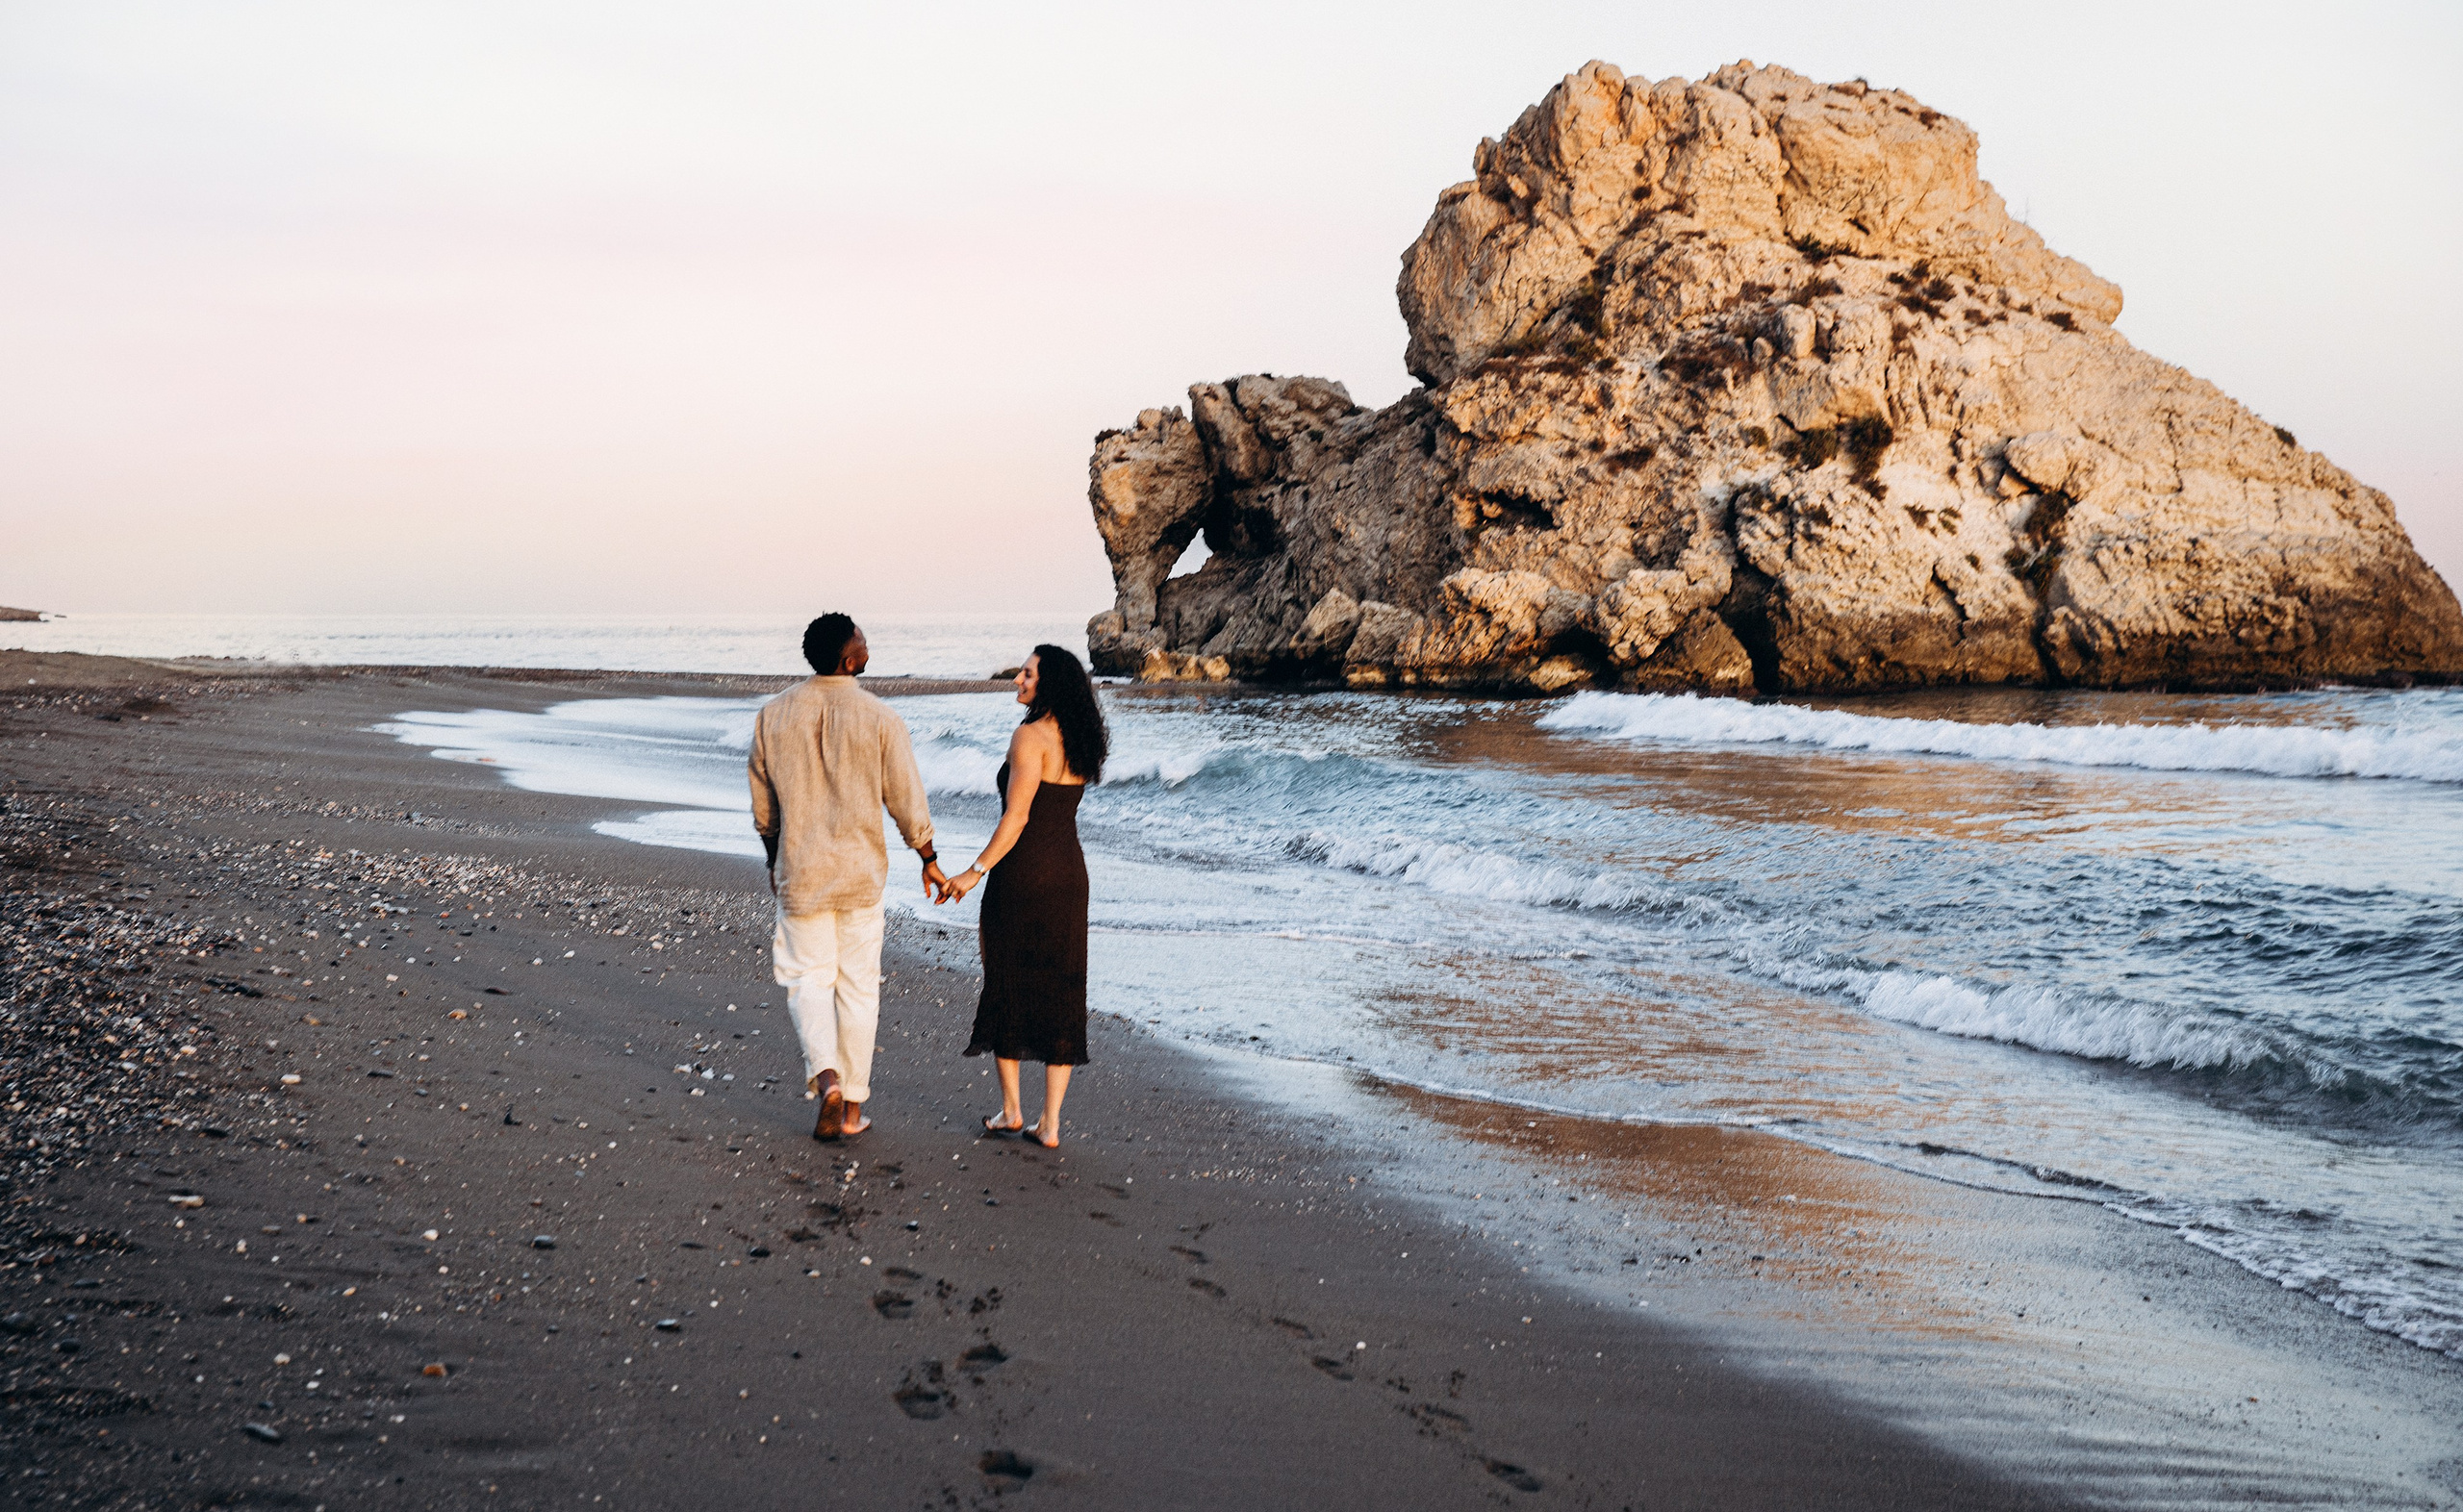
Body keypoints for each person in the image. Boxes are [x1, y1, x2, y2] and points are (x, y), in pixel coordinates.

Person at [749, 614, 949, 1141]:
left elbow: (765, 809)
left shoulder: (773, 715)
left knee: (806, 980)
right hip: (861, 875)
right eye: (861, 637)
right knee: (859, 988)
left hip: (802, 870)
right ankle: (854, 1107)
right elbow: (906, 797)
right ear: (848, 659)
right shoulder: (881, 718)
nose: (867, 642)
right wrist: (928, 856)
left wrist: (775, 859)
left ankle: (828, 1079)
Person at [941, 644, 1105, 1149]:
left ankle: (1013, 1111)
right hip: (1069, 874)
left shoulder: (1029, 736)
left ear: (1048, 683)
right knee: (1062, 986)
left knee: (1006, 980)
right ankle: (1050, 1123)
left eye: (1027, 674)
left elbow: (1017, 818)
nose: (1017, 679)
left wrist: (973, 871)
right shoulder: (1080, 738)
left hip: (1023, 874)